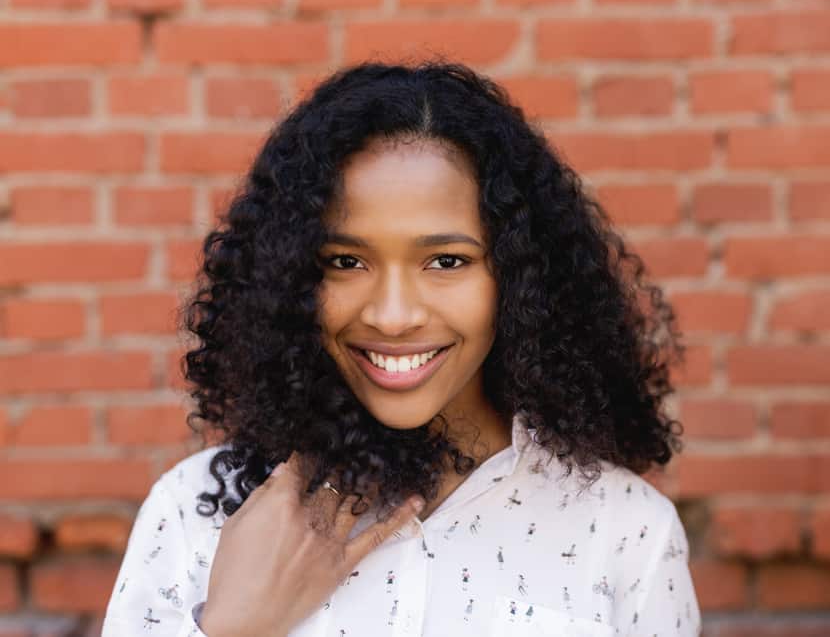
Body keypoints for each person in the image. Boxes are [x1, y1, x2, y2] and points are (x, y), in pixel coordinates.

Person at [100, 60, 701, 637]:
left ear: (520, 279)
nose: (392, 315)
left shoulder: (625, 534)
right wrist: (233, 630)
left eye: (447, 261)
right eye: (345, 261)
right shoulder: (197, 513)